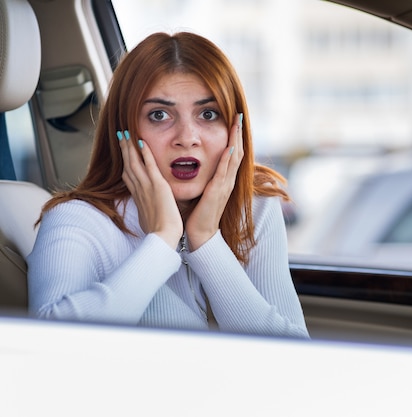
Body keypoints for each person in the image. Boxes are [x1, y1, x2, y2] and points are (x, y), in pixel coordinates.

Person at [27, 31, 309, 339]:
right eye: (159, 115)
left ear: (234, 129)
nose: (187, 137)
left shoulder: (255, 207)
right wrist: (161, 241)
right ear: (125, 131)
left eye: (208, 113)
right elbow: (50, 343)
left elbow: (293, 355)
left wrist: (205, 241)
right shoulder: (77, 220)